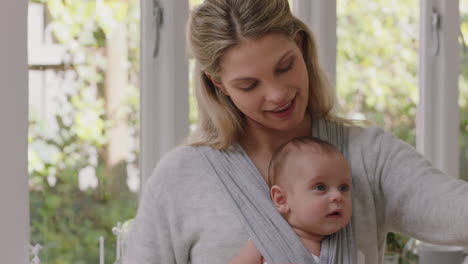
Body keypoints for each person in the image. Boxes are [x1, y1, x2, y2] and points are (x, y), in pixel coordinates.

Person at [123, 0, 468, 263]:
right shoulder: (181, 177)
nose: (276, 94)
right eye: (248, 84)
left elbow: (456, 212)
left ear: (301, 46)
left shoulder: (367, 154)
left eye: (284, 67)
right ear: (219, 85)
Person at [229, 137, 353, 264]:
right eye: (320, 187)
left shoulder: (348, 250)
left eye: (343, 187)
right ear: (281, 199)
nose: (338, 196)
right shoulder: (267, 240)